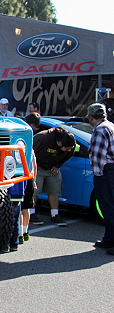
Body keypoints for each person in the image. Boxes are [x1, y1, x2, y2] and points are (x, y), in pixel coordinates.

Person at [33, 126, 75, 226]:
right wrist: (34, 165)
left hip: (52, 167)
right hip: (38, 166)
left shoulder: (69, 141)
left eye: (70, 148)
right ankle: (31, 214)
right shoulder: (42, 138)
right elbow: (29, 150)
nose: (69, 150)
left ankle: (55, 215)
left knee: (55, 190)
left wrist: (58, 165)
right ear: (59, 143)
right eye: (67, 148)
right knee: (35, 191)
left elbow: (69, 154)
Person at [86, 103, 114, 254]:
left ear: (91, 117)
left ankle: (112, 240)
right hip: (111, 169)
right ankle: (109, 238)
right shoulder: (110, 125)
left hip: (106, 171)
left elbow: (98, 156)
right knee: (109, 206)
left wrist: (97, 174)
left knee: (108, 207)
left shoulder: (100, 129)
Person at [21, 113, 40, 240]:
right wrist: (34, 180)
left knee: (19, 207)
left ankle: (19, 234)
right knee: (26, 207)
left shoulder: (19, 147)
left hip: (21, 178)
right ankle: (25, 232)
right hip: (30, 177)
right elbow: (35, 164)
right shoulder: (31, 148)